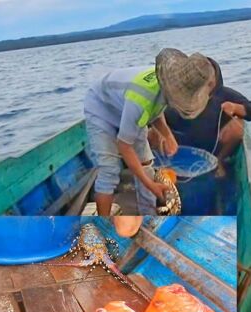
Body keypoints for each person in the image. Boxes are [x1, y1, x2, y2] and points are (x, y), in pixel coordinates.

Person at [84, 48, 216, 215]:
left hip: (127, 106)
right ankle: (102, 226)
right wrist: (150, 184)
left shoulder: (164, 85)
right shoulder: (140, 100)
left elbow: (156, 108)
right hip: (100, 107)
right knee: (109, 171)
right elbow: (124, 146)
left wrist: (167, 135)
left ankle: (148, 216)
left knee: (146, 164)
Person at [159, 56, 251, 177]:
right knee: (152, 131)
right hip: (180, 145)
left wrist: (235, 108)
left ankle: (219, 162)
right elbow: (154, 118)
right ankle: (161, 166)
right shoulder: (175, 95)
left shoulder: (224, 94)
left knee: (238, 124)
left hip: (213, 146)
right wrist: (161, 132)